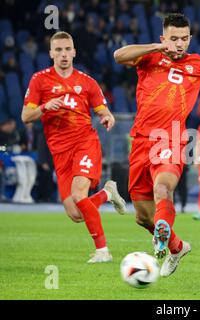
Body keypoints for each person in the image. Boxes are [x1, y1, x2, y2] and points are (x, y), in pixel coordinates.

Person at [113, 13, 200, 277]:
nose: (179, 44)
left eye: (184, 39)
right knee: (143, 216)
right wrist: (157, 47)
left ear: (190, 39)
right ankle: (177, 247)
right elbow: (119, 55)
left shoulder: (198, 64)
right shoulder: (149, 57)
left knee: (163, 187)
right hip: (141, 140)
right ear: (163, 38)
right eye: (173, 38)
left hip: (171, 137)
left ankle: (163, 231)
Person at [21, 31, 127, 263]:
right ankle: (108, 193)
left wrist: (107, 117)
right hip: (59, 152)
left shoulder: (87, 82)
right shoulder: (40, 80)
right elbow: (26, 116)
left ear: (74, 52)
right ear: (51, 54)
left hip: (84, 143)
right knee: (76, 214)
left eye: (67, 49)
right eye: (58, 50)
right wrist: (45, 107)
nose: (63, 54)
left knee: (79, 194)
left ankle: (103, 251)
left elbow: (103, 111)